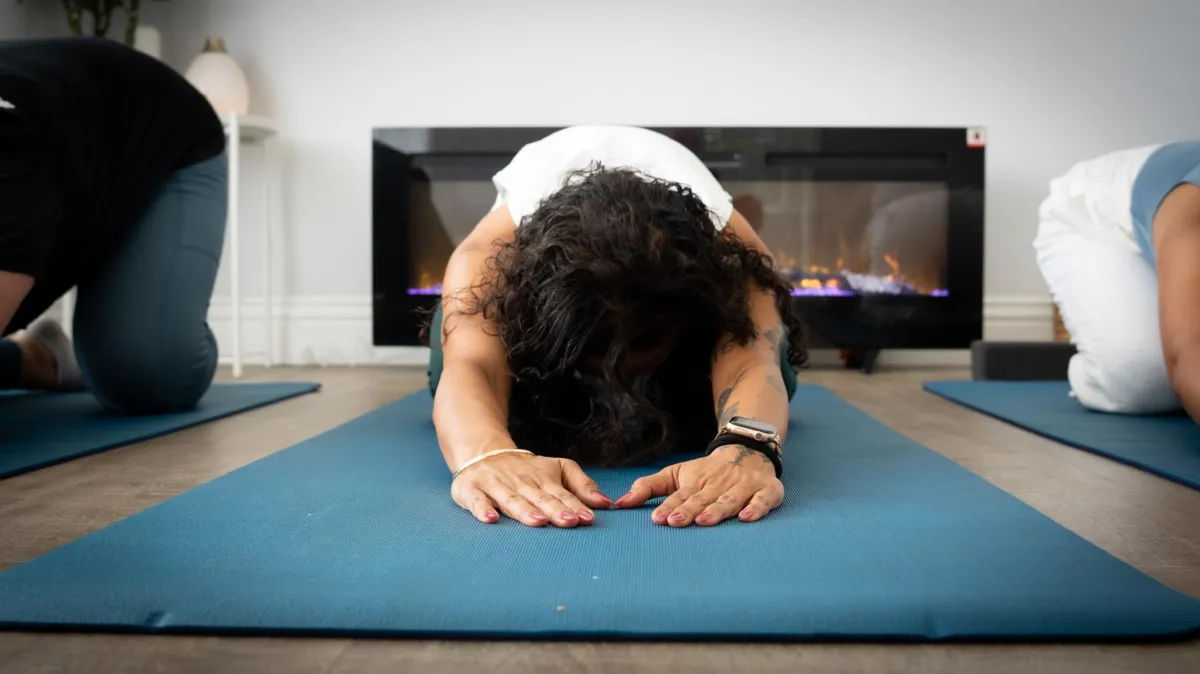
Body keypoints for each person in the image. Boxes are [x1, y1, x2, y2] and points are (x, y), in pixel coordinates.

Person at [423, 125, 809, 529]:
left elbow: (752, 357)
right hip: (541, 338)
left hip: (683, 333)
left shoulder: (730, 254)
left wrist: (746, 447)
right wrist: (487, 455)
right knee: (451, 353)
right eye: (596, 352)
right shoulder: (487, 258)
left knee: (777, 368)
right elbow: (473, 364)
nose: (614, 372)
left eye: (641, 347)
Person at [0, 37, 228, 414]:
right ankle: (31, 358)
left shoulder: (10, 154)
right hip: (67, 149)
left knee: (145, 373)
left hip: (162, 141)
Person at [1034, 141, 1200, 419]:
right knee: (1145, 378)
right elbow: (1188, 353)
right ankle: (1096, 366)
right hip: (1098, 220)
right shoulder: (1193, 209)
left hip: (1163, 221)